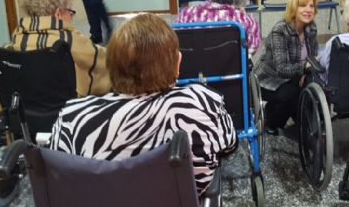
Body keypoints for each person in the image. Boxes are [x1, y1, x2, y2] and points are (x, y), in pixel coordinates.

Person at [49, 13, 236, 196]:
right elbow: (229, 145)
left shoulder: (72, 117)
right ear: (176, 65)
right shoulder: (199, 102)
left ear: (111, 67)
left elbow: (60, 178)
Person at [10, 0, 110, 97]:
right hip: (67, 105)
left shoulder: (18, 36)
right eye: (70, 11)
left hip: (31, 101)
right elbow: (103, 59)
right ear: (58, 14)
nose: (71, 18)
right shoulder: (67, 39)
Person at [253, 0, 319, 135]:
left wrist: (305, 73)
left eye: (311, 6)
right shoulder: (280, 30)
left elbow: (313, 55)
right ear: (293, 9)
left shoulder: (311, 28)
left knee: (311, 88)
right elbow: (282, 68)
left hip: (294, 76)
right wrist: (304, 68)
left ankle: (300, 118)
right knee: (291, 93)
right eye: (303, 6)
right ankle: (271, 120)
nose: (309, 10)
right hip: (269, 80)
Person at [175, 0, 260, 55]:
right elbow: (251, 50)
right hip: (232, 68)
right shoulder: (247, 21)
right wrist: (242, 14)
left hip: (191, 67)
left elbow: (176, 44)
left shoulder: (185, 14)